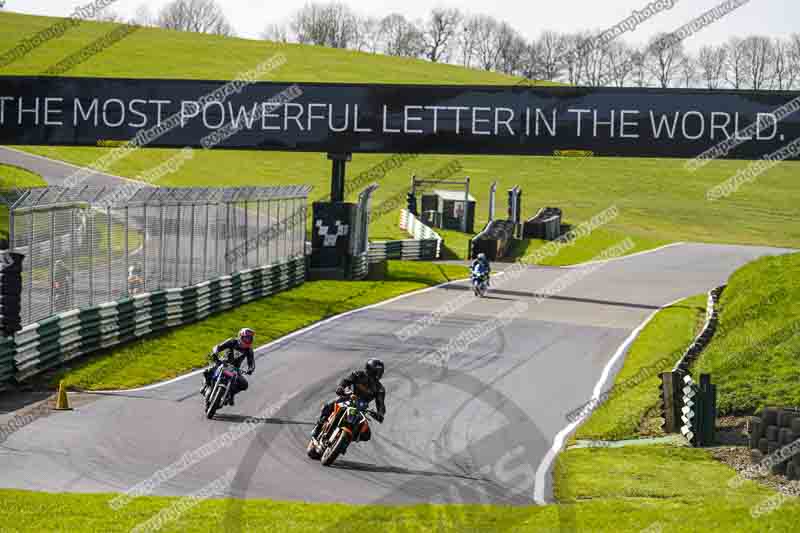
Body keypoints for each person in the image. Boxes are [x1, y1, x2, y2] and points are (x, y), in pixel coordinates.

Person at [311, 358, 386, 441]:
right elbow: (346, 380)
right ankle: (319, 426)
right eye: (376, 371)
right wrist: (341, 387)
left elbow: (381, 404)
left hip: (361, 408)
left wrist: (380, 414)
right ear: (370, 369)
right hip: (348, 398)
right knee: (328, 406)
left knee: (366, 435)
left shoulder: (380, 389)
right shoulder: (358, 374)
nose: (378, 374)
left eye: (380, 372)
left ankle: (345, 439)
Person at [202, 328, 256, 406]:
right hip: (222, 363)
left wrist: (250, 369)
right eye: (246, 338)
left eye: (249, 338)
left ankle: (231, 394)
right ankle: (206, 386)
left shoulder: (249, 350)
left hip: (235, 369)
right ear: (240, 336)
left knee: (244, 384)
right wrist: (215, 352)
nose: (247, 340)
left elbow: (251, 363)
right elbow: (218, 346)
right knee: (207, 371)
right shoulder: (232, 341)